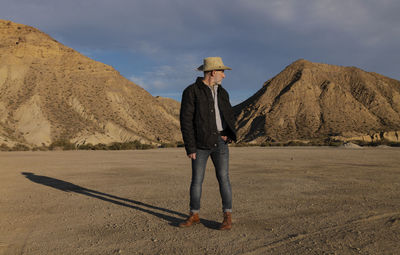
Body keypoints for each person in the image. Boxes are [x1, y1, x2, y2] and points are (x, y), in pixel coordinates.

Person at [179, 57, 237, 230]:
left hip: (220, 142)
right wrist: (190, 147)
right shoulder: (191, 91)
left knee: (224, 179)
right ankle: (194, 215)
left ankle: (227, 216)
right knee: (197, 180)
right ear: (213, 72)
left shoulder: (223, 93)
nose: (224, 76)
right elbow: (186, 121)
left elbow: (229, 115)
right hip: (200, 144)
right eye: (222, 72)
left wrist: (229, 134)